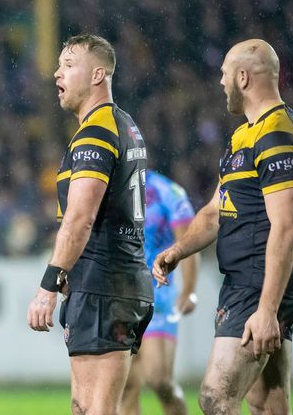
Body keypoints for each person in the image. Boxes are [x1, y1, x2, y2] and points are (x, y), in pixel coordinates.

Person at [154, 39, 293, 414]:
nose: (220, 82)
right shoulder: (245, 134)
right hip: (247, 281)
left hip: (259, 283)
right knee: (268, 403)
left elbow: (287, 226)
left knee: (215, 396)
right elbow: (213, 212)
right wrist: (177, 251)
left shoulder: (277, 135)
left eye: (224, 73)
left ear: (242, 77)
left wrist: (267, 309)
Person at [26, 34, 153, 415]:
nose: (56, 73)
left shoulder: (96, 132)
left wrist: (48, 285)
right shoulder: (123, 125)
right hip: (109, 282)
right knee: (85, 407)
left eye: (68, 64)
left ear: (98, 74)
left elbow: (80, 219)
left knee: (96, 409)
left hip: (105, 285)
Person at [121, 170, 199, 415]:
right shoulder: (112, 189)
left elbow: (189, 241)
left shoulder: (169, 192)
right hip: (121, 297)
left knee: (158, 379)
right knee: (125, 385)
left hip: (159, 297)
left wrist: (188, 290)